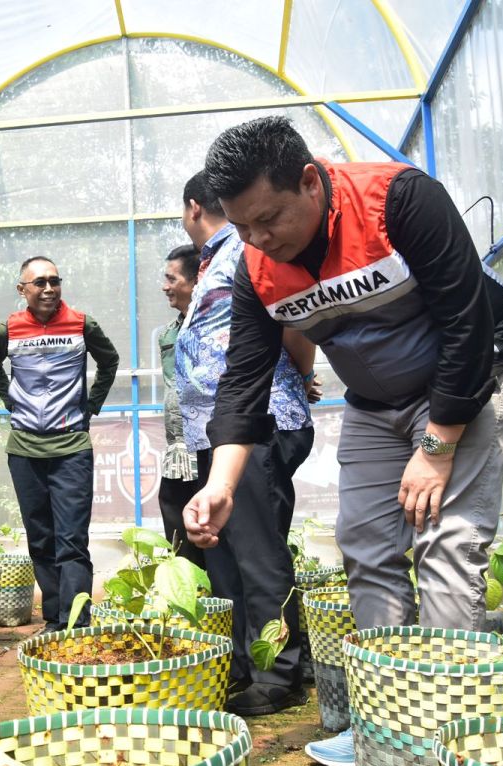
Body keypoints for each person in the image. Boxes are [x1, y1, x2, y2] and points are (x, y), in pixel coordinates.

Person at [183, 115, 503, 766]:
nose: (256, 240)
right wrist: (221, 485)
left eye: (268, 219)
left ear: (310, 182)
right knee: (366, 544)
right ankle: (387, 722)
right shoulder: (258, 266)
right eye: (242, 227)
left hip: (470, 380)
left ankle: (452, 734)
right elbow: (244, 379)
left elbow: (466, 321)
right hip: (376, 402)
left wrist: (436, 446)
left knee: (447, 543)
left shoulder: (400, 200)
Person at [176, 171, 317, 717]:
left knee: (259, 556)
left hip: (258, 425)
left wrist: (297, 379)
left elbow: (293, 322)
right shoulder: (214, 258)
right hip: (223, 432)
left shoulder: (245, 249)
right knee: (228, 558)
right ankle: (244, 664)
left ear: (194, 208)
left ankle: (281, 675)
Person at [0, 257, 119, 632]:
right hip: (24, 450)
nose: (48, 289)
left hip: (71, 447)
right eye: (39, 282)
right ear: (21, 289)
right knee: (41, 539)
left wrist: (91, 406)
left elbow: (110, 362)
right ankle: (55, 620)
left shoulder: (81, 323)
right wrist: (12, 401)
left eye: (54, 281)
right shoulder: (8, 329)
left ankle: (77, 623)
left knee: (72, 540)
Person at [156, 245, 205, 568]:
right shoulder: (169, 333)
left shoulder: (213, 327)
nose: (165, 286)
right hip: (177, 450)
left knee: (210, 528)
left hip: (208, 447)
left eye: (171, 278)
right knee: (175, 521)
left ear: (195, 280)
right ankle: (193, 599)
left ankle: (225, 606)